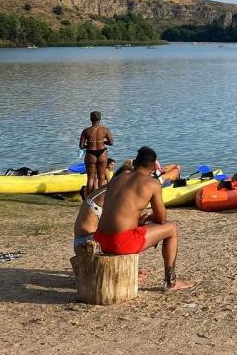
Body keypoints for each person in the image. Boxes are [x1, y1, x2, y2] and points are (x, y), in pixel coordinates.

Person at [95, 146, 192, 291]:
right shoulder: (152, 184)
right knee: (172, 228)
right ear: (153, 168)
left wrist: (139, 220)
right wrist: (152, 218)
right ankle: (170, 282)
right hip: (120, 243)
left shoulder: (117, 179)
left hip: (100, 239)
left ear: (134, 163)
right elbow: (162, 220)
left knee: (141, 227)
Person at [79, 111, 114, 197]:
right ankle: (100, 198)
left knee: (91, 177)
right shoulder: (105, 130)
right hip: (102, 152)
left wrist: (89, 145)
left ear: (90, 119)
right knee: (101, 177)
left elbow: (81, 146)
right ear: (100, 119)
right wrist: (103, 142)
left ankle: (89, 198)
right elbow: (111, 142)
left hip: (90, 153)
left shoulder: (86, 131)